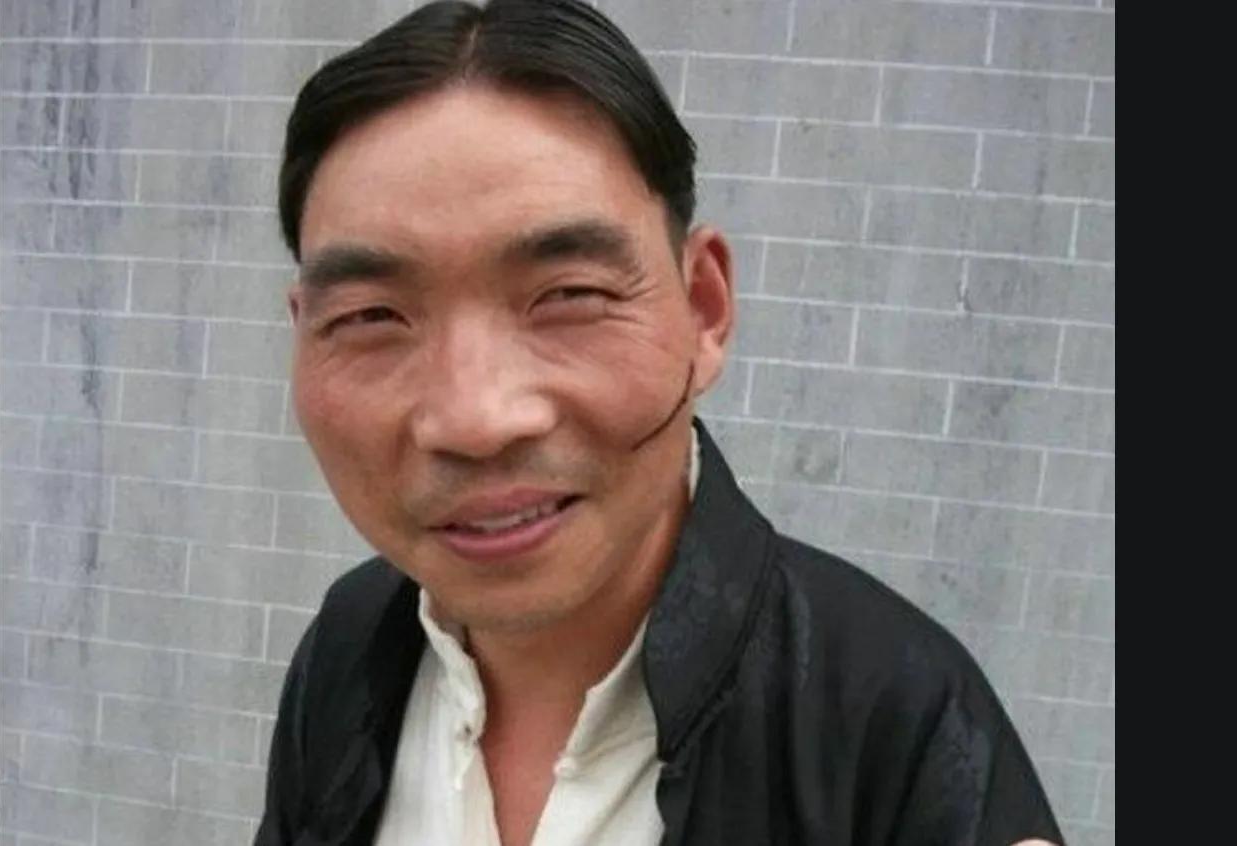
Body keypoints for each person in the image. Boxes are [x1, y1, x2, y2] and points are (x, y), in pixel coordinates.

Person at [254, 1, 1064, 844]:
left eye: (569, 296)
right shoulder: (354, 645)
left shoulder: (892, 726)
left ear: (703, 308)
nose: (475, 419)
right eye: (371, 316)